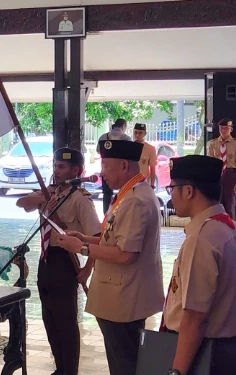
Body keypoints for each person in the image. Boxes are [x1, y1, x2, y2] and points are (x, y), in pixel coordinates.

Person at [57, 140, 164, 375]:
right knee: (123, 360)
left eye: (105, 166)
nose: (101, 172)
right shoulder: (130, 194)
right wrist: (84, 238)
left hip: (124, 298)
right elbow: (114, 239)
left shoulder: (135, 200)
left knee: (124, 364)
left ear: (124, 165)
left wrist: (82, 248)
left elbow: (125, 254)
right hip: (121, 296)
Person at [16, 148, 101, 375]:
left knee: (65, 323)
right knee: (49, 319)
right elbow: (22, 203)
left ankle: (69, 370)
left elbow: (99, 237)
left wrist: (87, 269)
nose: (57, 170)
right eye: (55, 166)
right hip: (46, 260)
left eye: (62, 167)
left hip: (66, 261)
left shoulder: (80, 199)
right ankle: (59, 368)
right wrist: (46, 196)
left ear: (76, 170)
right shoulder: (50, 193)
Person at [161, 155, 236, 375]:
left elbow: (195, 318)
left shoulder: (202, 238)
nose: (171, 196)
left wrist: (177, 371)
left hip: (204, 353)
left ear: (189, 191)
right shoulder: (225, 227)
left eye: (172, 188)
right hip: (222, 349)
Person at [96, 119, 132, 213]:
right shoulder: (126, 138)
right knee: (124, 193)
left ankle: (106, 217)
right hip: (121, 172)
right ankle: (120, 215)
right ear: (123, 126)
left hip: (106, 170)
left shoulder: (103, 137)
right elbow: (130, 156)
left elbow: (98, 151)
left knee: (107, 195)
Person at [207, 118, 236, 219]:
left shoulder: (235, 144)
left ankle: (232, 230)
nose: (223, 130)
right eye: (221, 128)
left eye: (226, 128)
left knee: (230, 204)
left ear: (231, 129)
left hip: (230, 175)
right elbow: (209, 164)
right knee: (216, 204)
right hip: (217, 175)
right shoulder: (212, 144)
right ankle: (218, 228)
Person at [133, 123, 157, 189]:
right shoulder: (129, 146)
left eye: (140, 133)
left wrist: (152, 185)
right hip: (130, 182)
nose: (137, 135)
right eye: (135, 132)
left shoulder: (150, 148)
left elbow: (152, 168)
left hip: (143, 183)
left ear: (145, 134)